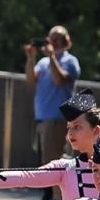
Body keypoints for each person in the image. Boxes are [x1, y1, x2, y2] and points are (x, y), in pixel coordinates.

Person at [25, 25, 80, 180]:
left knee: (53, 161)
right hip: (42, 116)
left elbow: (59, 80)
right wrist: (30, 58)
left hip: (58, 117)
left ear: (65, 40)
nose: (53, 42)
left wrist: (52, 57)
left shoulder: (70, 61)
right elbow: (30, 79)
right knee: (46, 161)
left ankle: (56, 196)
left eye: (57, 38)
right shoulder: (42, 62)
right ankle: (51, 193)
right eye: (51, 38)